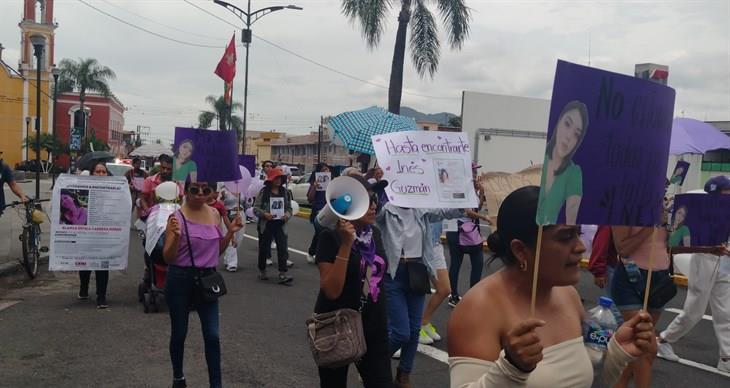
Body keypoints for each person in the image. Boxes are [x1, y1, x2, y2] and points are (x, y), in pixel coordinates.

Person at [447, 186, 656, 388]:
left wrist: (618, 352)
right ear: (520, 250)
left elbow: (587, 381)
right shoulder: (478, 308)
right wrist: (511, 368)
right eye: (565, 237)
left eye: (578, 234)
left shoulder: (569, 295)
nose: (580, 247)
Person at [314, 175, 392, 387]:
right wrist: (347, 244)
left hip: (373, 324)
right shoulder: (330, 239)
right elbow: (331, 291)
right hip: (337, 323)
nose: (374, 206)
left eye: (375, 199)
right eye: (367, 201)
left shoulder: (374, 234)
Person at [162, 180, 242, 388]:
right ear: (186, 190)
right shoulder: (176, 217)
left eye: (205, 190)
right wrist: (175, 238)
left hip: (207, 280)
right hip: (180, 279)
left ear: (212, 193)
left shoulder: (215, 214)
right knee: (179, 333)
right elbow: (168, 258)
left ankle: (216, 384)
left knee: (213, 335)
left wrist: (230, 232)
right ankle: (178, 377)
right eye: (194, 189)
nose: (199, 193)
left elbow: (216, 251)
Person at [376, 201, 463, 387]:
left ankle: (404, 374)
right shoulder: (387, 211)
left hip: (417, 271)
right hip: (394, 273)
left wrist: (466, 200)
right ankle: (373, 364)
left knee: (414, 330)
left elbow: (444, 211)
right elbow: (372, 214)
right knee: (401, 332)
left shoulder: (421, 210)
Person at [658, 175, 730, 372]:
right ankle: (664, 339)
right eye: (726, 191)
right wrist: (710, 249)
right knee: (695, 311)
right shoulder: (699, 213)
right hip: (704, 260)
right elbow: (681, 243)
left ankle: (726, 358)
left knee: (725, 312)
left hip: (725, 262)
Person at [611, 220, 673, 387]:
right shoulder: (625, 209)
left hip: (660, 279)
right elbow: (623, 249)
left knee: (636, 348)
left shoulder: (666, 211)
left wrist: (706, 249)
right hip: (632, 277)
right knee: (647, 348)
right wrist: (651, 225)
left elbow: (669, 245)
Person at [536, 100, 589, 225]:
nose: (569, 136)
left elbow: (571, 219)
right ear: (559, 121)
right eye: (567, 124)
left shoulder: (574, 173)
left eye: (576, 134)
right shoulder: (539, 159)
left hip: (550, 240)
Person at [447, 162, 492, 307]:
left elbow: (476, 208)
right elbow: (466, 210)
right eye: (472, 171)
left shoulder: (474, 189)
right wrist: (484, 218)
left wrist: (482, 192)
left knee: (478, 262)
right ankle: (453, 295)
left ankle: (472, 296)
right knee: (456, 262)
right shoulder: (458, 189)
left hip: (472, 229)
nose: (475, 174)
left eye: (475, 171)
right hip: (456, 229)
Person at [78, 162, 111, 308]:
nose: (101, 174)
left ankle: (101, 296)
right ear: (92, 173)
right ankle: (84, 288)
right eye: (98, 172)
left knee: (103, 264)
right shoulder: (82, 188)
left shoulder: (113, 190)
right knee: (85, 261)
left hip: (104, 233)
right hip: (86, 231)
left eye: (103, 172)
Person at [253, 167, 294, 284]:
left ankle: (283, 273)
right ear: (271, 179)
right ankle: (262, 270)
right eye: (276, 178)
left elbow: (290, 208)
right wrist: (264, 214)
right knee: (264, 248)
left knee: (282, 248)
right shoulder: (263, 192)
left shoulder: (285, 192)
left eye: (280, 178)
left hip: (280, 224)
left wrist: (287, 215)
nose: (278, 180)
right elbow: (255, 208)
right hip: (267, 224)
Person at [307, 163, 330, 264]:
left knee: (326, 234)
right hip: (318, 211)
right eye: (324, 170)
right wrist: (314, 187)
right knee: (319, 233)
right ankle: (312, 253)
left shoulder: (331, 183)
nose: (326, 171)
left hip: (329, 211)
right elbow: (310, 198)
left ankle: (321, 254)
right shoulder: (314, 184)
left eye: (327, 169)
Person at [140, 154, 175, 221]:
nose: (165, 171)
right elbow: (143, 199)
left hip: (170, 219)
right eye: (163, 168)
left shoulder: (177, 183)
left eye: (168, 169)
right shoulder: (149, 180)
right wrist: (149, 212)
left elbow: (180, 202)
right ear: (160, 167)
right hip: (152, 218)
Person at [220, 186, 245, 272]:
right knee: (230, 238)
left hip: (240, 214)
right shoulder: (223, 190)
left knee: (238, 239)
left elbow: (248, 204)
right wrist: (222, 198)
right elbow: (219, 203)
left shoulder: (241, 189)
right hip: (228, 214)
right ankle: (232, 263)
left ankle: (228, 258)